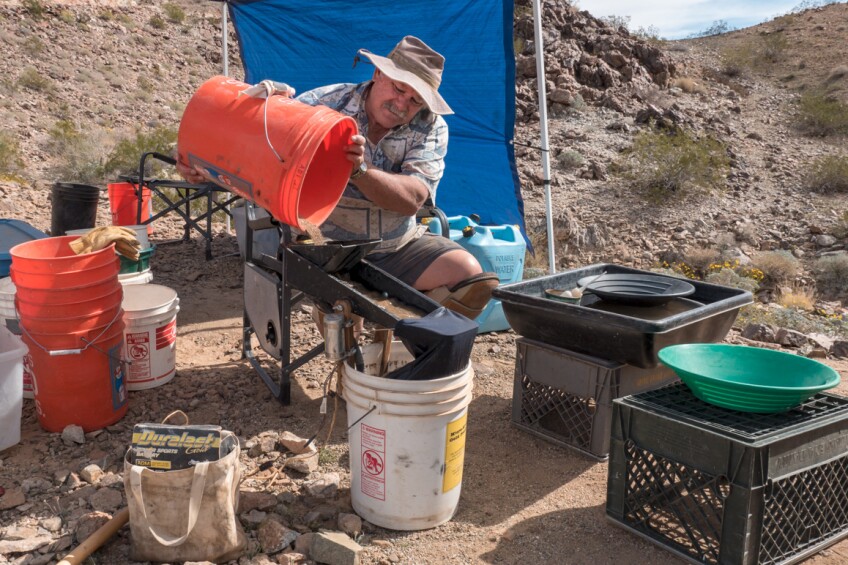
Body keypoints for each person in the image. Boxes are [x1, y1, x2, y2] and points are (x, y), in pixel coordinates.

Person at [179, 36, 497, 319]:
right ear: (378, 74)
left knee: (469, 278)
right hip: (324, 246)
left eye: (415, 100)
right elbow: (260, 150)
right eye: (399, 88)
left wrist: (359, 172)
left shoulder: (431, 127)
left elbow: (413, 199)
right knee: (341, 310)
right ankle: (351, 333)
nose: (402, 103)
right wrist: (203, 167)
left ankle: (404, 340)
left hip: (394, 247)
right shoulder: (325, 104)